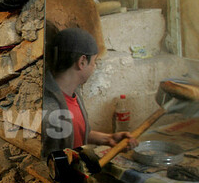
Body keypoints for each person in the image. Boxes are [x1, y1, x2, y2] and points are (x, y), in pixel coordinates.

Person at [42, 27, 136, 157]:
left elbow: (74, 133)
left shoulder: (73, 93)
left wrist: (108, 138)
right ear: (82, 62)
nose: (94, 67)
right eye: (94, 61)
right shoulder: (49, 109)